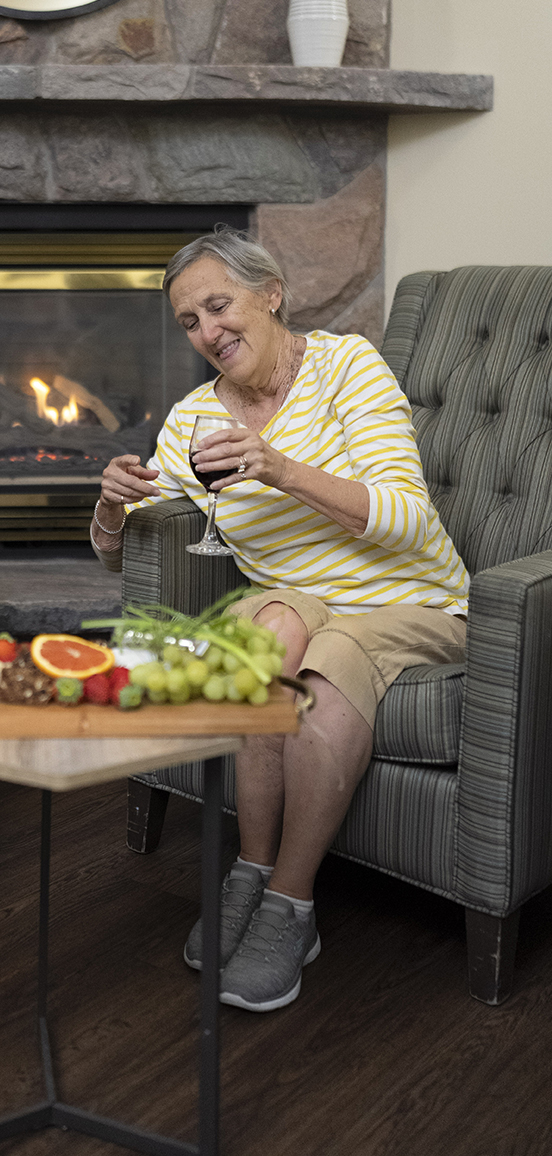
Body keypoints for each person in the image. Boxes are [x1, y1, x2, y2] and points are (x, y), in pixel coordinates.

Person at [89, 227, 469, 1013]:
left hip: (410, 597)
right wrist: (110, 503)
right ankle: (251, 871)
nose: (207, 332)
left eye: (220, 306)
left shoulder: (347, 366)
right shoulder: (194, 420)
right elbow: (115, 557)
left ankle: (294, 904)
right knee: (259, 645)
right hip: (299, 594)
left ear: (271, 294)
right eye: (190, 321)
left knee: (323, 672)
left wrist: (281, 468)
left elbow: (405, 519)